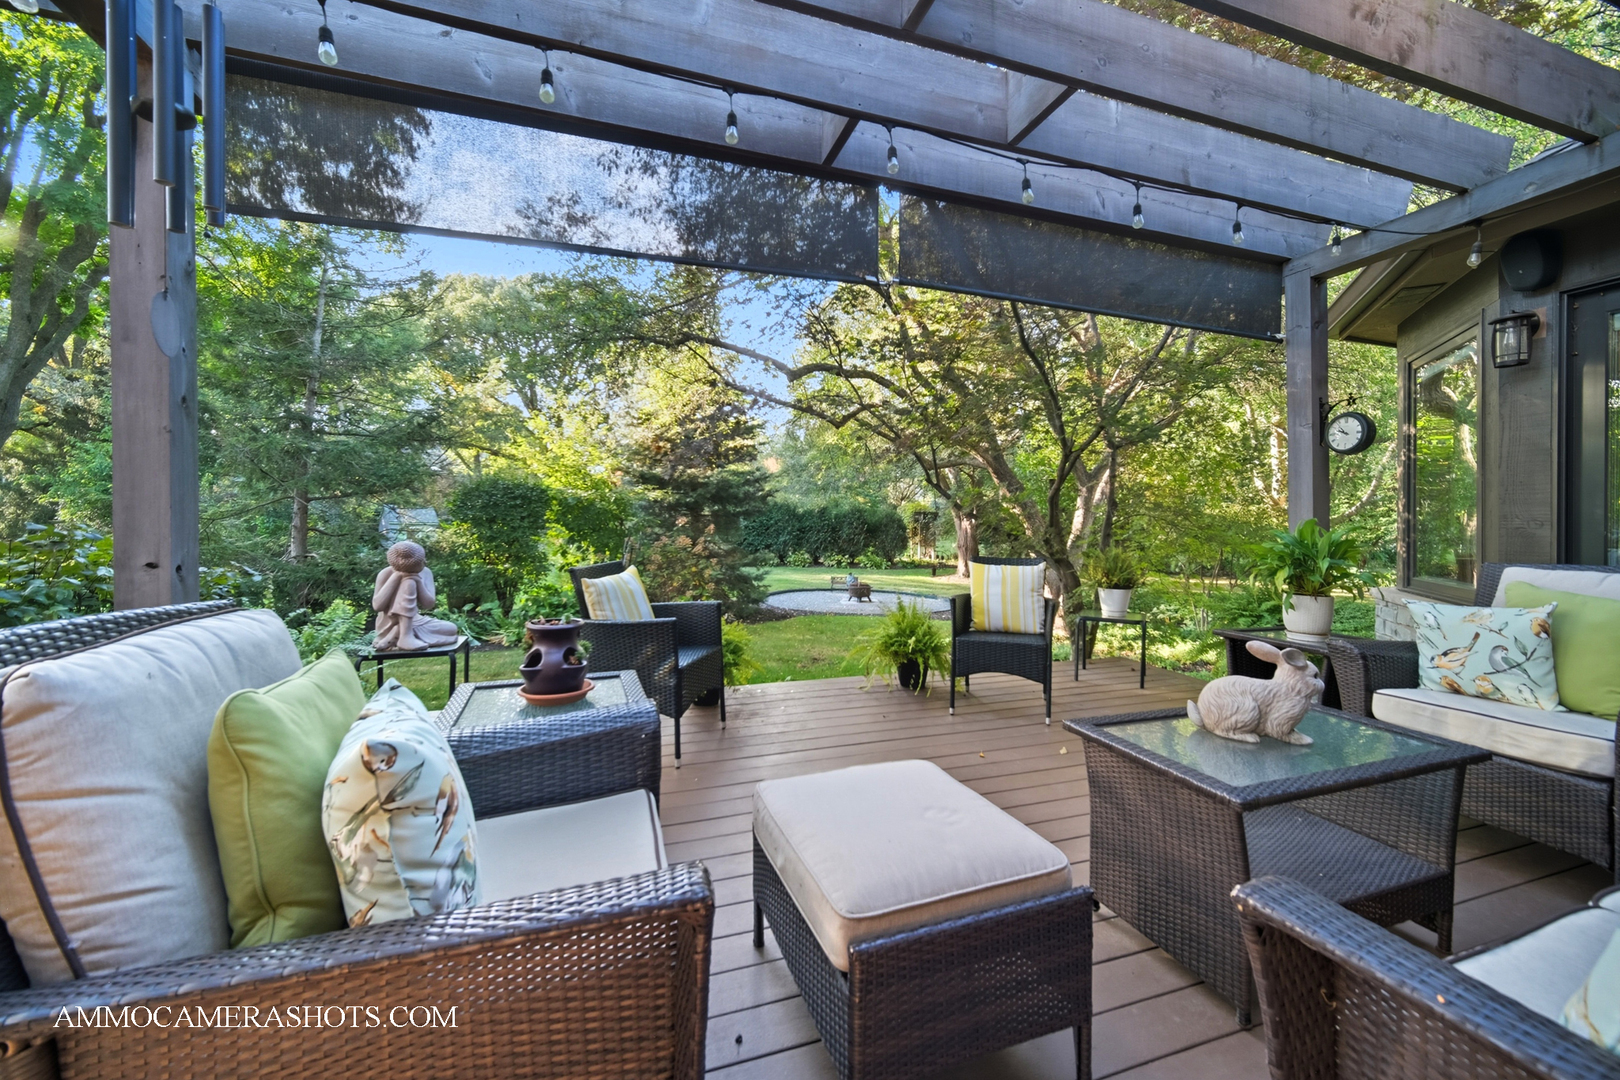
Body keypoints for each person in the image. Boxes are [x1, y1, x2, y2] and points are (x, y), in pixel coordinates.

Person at [372, 541, 460, 651]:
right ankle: (404, 636)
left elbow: (428, 604)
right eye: (422, 560)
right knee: (409, 583)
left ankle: (398, 632)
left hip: (415, 621)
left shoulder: (426, 572)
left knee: (451, 628)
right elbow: (377, 606)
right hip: (388, 623)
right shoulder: (386, 573)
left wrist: (417, 581)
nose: (425, 561)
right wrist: (398, 576)